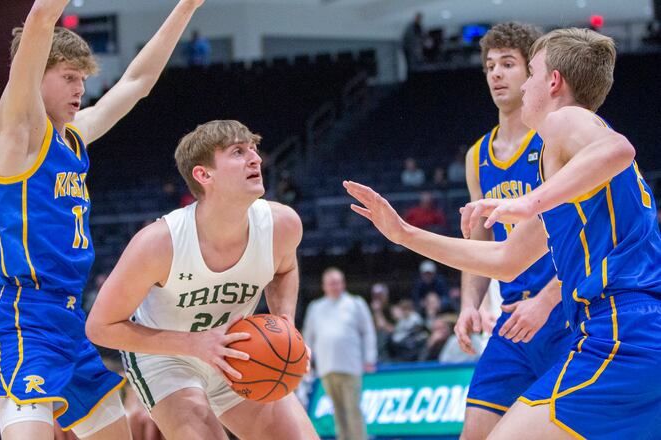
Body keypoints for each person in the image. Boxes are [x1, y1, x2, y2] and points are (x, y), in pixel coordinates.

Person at [345, 27, 661, 439]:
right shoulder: (563, 168)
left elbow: (620, 150)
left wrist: (528, 202)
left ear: (553, 81)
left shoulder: (569, 119)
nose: (524, 84)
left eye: (530, 73)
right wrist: (405, 233)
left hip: (620, 330)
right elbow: (506, 261)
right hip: (628, 332)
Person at [0, 1, 204, 439]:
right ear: (33, 77)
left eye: (82, 80)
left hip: (71, 320)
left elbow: (137, 82)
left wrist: (186, 6)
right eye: (68, 77)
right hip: (27, 317)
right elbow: (42, 18)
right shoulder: (19, 137)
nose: (79, 89)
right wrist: (40, 28)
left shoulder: (75, 136)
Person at [85, 120, 319, 440]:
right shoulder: (158, 243)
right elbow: (100, 326)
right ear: (203, 174)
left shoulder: (282, 224)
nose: (256, 159)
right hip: (166, 360)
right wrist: (195, 344)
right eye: (238, 152)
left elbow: (284, 270)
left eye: (253, 149)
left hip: (237, 351)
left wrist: (285, 325)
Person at [455, 22, 572, 440]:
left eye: (508, 63)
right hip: (511, 320)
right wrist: (469, 302)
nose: (497, 74)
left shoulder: (555, 140)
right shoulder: (477, 156)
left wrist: (546, 298)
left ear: (532, 73)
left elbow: (589, 235)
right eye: (490, 65)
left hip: (566, 314)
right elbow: (479, 242)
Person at [303, 267, 377, 440]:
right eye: (331, 283)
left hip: (350, 365)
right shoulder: (316, 307)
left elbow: (368, 332)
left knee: (352, 409)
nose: (334, 286)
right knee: (337, 411)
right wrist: (307, 362)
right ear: (324, 286)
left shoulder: (355, 303)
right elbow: (308, 337)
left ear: (343, 284)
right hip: (326, 367)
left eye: (337, 283)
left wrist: (369, 358)